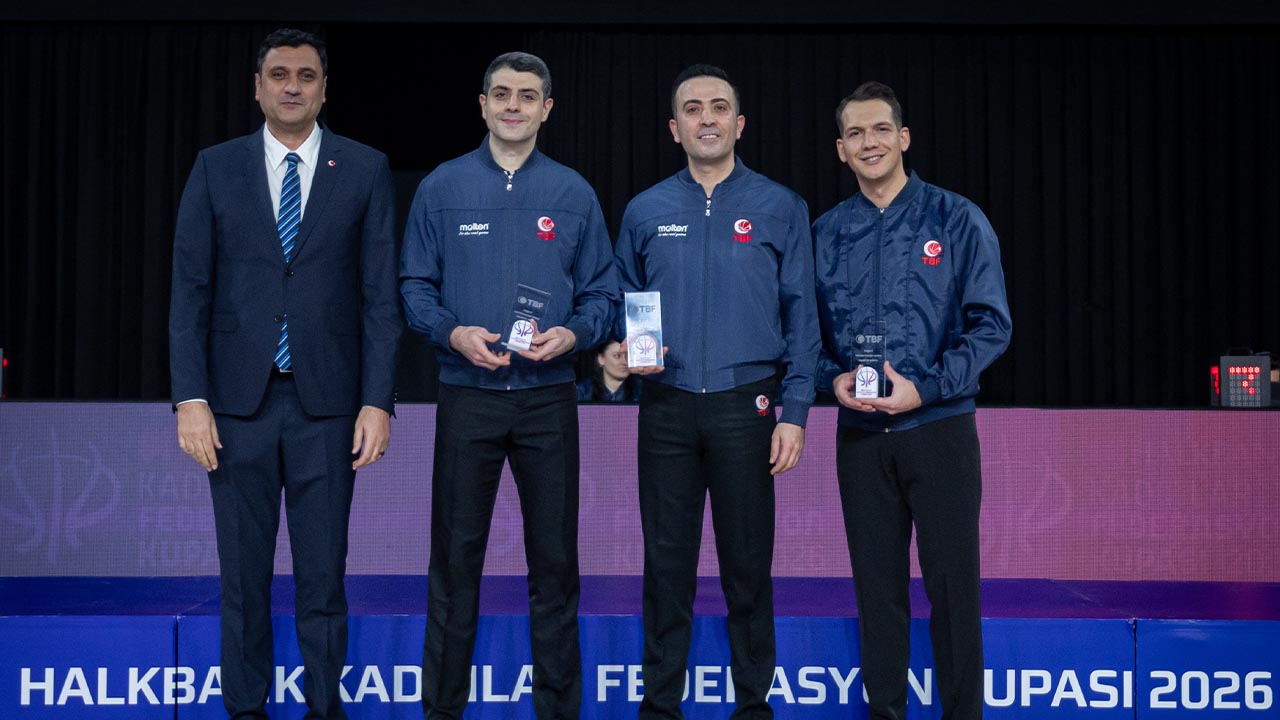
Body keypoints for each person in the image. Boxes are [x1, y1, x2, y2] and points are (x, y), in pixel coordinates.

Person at [169, 28, 401, 720]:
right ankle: (246, 709)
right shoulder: (217, 166)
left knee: (323, 576)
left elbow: (380, 296)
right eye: (279, 74)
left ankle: (324, 707)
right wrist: (190, 398)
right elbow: (189, 292)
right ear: (258, 86)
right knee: (241, 578)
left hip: (328, 406)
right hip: (235, 406)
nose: (292, 85)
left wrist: (377, 401)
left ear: (324, 88)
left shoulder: (364, 168)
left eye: (306, 75)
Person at [399, 52, 617, 720]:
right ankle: (443, 710)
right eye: (502, 94)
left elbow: (604, 293)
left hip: (549, 399)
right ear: (484, 104)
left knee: (554, 566)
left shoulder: (574, 193)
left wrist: (575, 337)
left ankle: (559, 711)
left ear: (547, 108)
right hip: (466, 395)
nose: (514, 105)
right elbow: (413, 286)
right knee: (455, 566)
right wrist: (450, 331)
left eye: (527, 95)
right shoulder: (442, 186)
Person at [614, 64, 819, 719]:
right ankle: (660, 706)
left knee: (747, 567)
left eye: (719, 107)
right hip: (666, 406)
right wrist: (619, 361)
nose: (707, 118)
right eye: (694, 109)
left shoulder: (781, 206)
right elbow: (619, 305)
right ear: (675, 129)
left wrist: (794, 413)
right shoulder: (644, 210)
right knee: (666, 568)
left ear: (739, 123)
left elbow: (803, 319)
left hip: (748, 406)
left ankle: (753, 704)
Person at [812, 81, 1012, 720]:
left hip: (941, 431)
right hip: (862, 439)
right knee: (878, 593)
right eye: (855, 134)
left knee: (954, 590)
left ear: (902, 138)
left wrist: (926, 387)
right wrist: (831, 380)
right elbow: (803, 339)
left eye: (879, 130)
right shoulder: (825, 234)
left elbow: (992, 326)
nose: (868, 143)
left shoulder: (956, 218)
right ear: (841, 150)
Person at [577, 340, 641, 402]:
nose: (624, 362)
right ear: (601, 359)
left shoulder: (642, 390)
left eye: (628, 356)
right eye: (617, 356)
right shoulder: (583, 391)